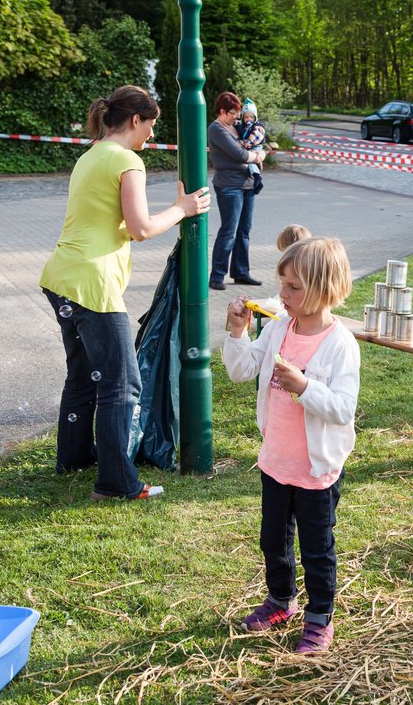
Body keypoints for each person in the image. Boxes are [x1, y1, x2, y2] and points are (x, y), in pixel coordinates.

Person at [39, 86, 211, 500]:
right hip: (92, 284)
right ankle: (117, 483)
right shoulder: (126, 160)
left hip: (60, 277)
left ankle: (74, 457)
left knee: (82, 374)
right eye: (151, 125)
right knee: (122, 383)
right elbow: (141, 228)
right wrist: (183, 209)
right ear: (136, 120)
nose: (152, 134)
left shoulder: (91, 154)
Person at [223, 236, 360, 654]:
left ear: (323, 288)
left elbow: (342, 409)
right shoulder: (280, 327)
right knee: (274, 540)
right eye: (282, 284)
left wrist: (304, 387)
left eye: (292, 287)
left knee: (317, 549)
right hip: (276, 462)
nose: (282, 294)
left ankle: (319, 617)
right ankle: (280, 600)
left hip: (315, 471)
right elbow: (242, 370)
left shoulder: (340, 345)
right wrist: (237, 332)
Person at [209, 90, 268, 292]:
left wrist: (259, 152)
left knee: (244, 231)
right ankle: (217, 275)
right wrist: (257, 155)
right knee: (229, 231)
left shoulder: (237, 127)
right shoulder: (217, 130)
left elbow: (256, 141)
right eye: (233, 112)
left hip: (247, 184)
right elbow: (239, 154)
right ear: (222, 111)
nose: (237, 116)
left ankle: (241, 272)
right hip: (229, 185)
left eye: (238, 112)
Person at [236, 98, 270, 195]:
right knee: (250, 162)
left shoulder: (258, 127)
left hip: (255, 146)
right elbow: (238, 129)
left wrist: (247, 143)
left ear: (255, 117)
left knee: (251, 160)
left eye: (251, 117)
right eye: (246, 117)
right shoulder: (242, 126)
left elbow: (255, 137)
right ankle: (256, 177)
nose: (249, 119)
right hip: (248, 146)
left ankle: (257, 177)